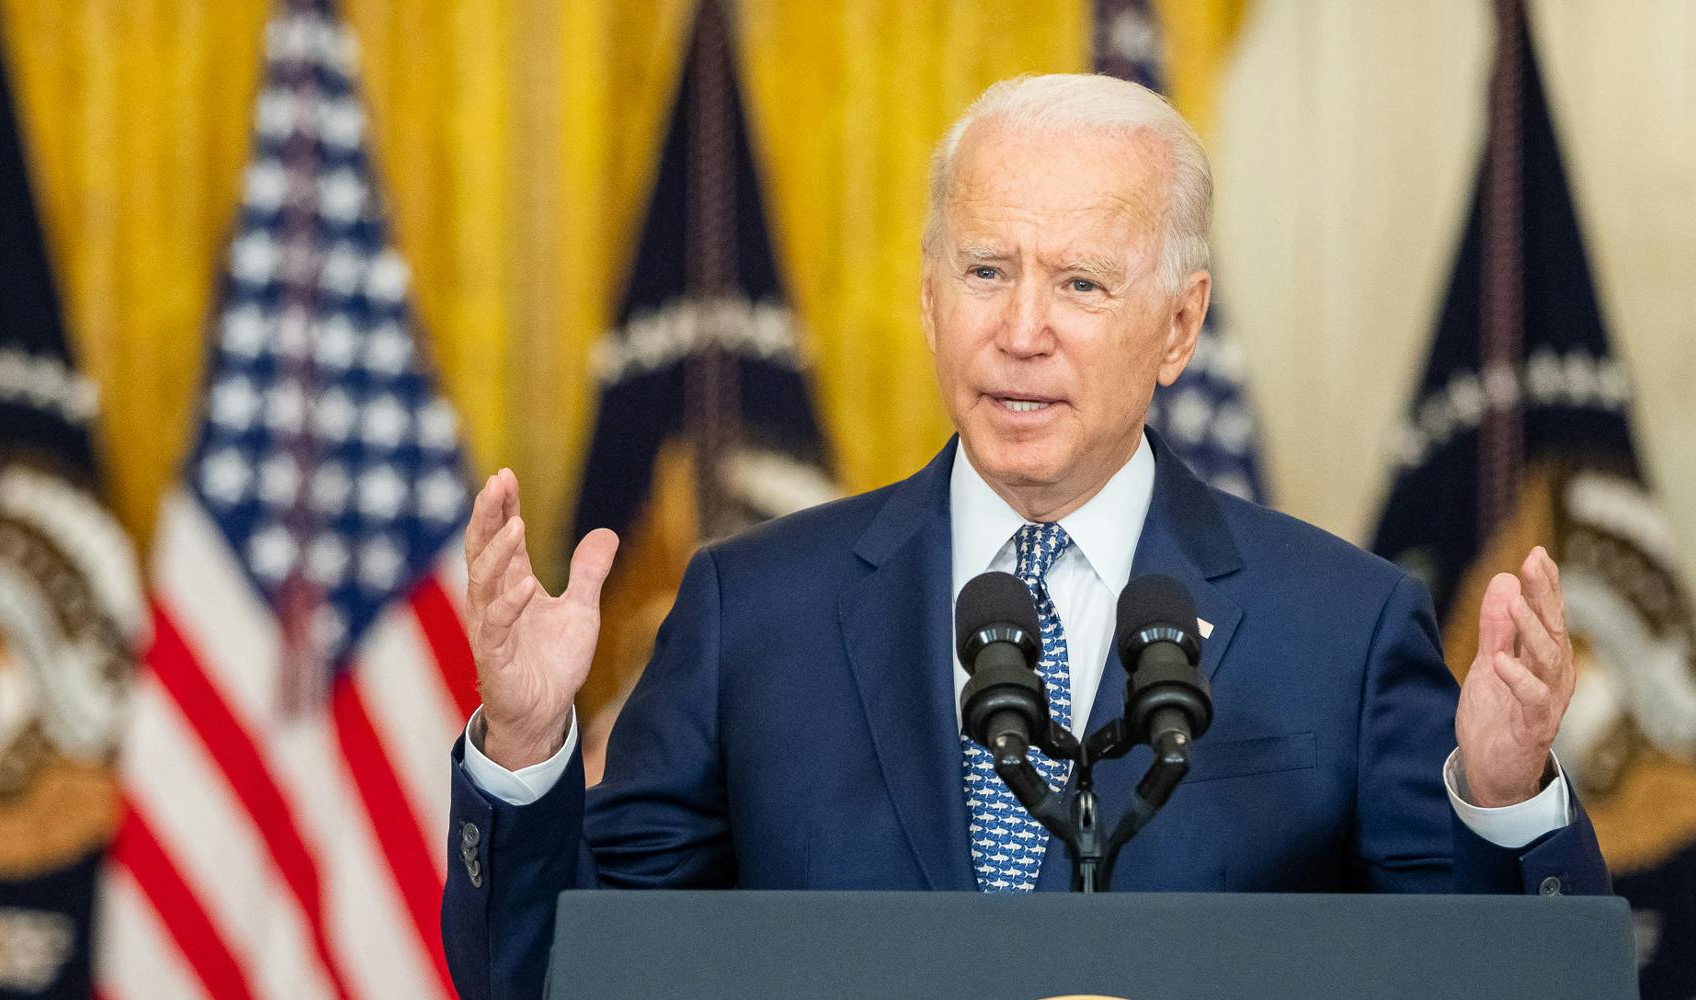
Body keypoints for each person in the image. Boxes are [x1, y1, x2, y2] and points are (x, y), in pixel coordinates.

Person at [441, 73, 1609, 1000]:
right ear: (927, 295)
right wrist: (527, 744)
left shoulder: (1339, 629)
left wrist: (1502, 800)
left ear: (1178, 325)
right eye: (986, 270)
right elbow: (551, 979)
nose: (1021, 330)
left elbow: (1485, 984)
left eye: (1083, 285)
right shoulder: (751, 612)